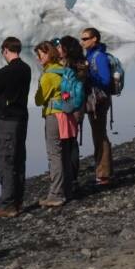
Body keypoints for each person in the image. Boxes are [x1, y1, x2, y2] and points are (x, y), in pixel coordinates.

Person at [0, 37, 32, 218]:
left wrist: (1, 95)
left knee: (5, 162)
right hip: (22, 119)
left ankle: (8, 205)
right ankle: (17, 201)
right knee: (19, 159)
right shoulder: (26, 69)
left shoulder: (5, 72)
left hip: (7, 121)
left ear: (5, 50)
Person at [33, 40, 79, 207]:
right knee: (65, 153)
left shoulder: (48, 75)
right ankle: (67, 190)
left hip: (54, 116)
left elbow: (39, 100)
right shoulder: (64, 70)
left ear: (48, 54)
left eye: (40, 55)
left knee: (55, 154)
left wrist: (39, 90)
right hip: (67, 115)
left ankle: (56, 194)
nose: (39, 59)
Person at [80, 27, 116, 186]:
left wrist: (88, 75)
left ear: (95, 39)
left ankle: (104, 174)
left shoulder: (99, 57)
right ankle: (103, 171)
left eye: (86, 38)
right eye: (82, 39)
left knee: (100, 135)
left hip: (99, 101)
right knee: (98, 134)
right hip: (95, 100)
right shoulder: (91, 55)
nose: (83, 42)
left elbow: (106, 80)